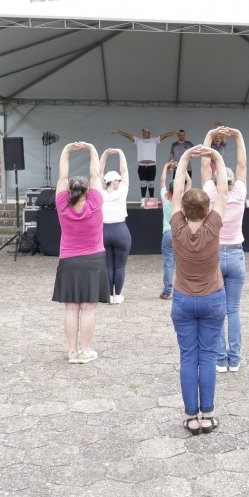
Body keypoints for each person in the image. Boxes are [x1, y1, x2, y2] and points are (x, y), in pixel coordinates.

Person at [169, 144, 228, 435]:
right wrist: (216, 157)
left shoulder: (177, 226)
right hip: (213, 299)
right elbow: (224, 193)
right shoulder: (213, 226)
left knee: (187, 358)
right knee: (207, 357)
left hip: (182, 299)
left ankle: (191, 417)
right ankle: (208, 414)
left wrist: (184, 159)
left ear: (183, 209)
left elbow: (177, 193)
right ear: (207, 210)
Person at [52, 141, 108, 364]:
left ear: (69, 191)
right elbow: (96, 174)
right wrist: (92, 149)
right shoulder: (95, 203)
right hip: (93, 260)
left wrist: (66, 150)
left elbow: (62, 177)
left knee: (71, 308)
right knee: (88, 309)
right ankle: (85, 351)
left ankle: (72, 351)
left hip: (68, 260)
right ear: (87, 191)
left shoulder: (62, 206)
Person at [202, 126, 247, 373]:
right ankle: (235, 358)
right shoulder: (239, 193)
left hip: (215, 255)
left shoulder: (210, 193)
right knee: (233, 310)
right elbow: (242, 165)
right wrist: (238, 136)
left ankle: (220, 359)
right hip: (236, 254)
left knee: (216, 310)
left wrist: (209, 136)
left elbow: (204, 167)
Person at [100, 148, 131, 304]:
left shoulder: (100, 192)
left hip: (104, 231)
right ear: (113, 181)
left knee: (107, 265)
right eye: (117, 180)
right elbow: (124, 170)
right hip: (120, 230)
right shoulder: (122, 192)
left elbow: (97, 173)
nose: (120, 181)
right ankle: (117, 295)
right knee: (120, 266)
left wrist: (104, 155)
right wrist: (120, 152)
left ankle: (108, 295)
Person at [159, 160, 191, 300]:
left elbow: (161, 181)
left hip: (168, 233)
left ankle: (167, 291)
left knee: (168, 262)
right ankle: (185, 288)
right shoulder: (184, 199)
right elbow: (189, 183)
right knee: (183, 262)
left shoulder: (166, 199)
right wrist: (182, 170)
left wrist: (166, 167)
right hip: (182, 232)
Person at [112, 128, 177, 198]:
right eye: (143, 132)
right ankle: (143, 200)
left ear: (149, 133)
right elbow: (128, 136)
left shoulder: (154, 140)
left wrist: (175, 132)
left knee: (151, 184)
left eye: (145, 132)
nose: (143, 133)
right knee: (143, 184)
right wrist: (118, 132)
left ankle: (151, 200)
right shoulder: (138, 141)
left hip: (152, 166)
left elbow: (165, 135)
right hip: (142, 166)